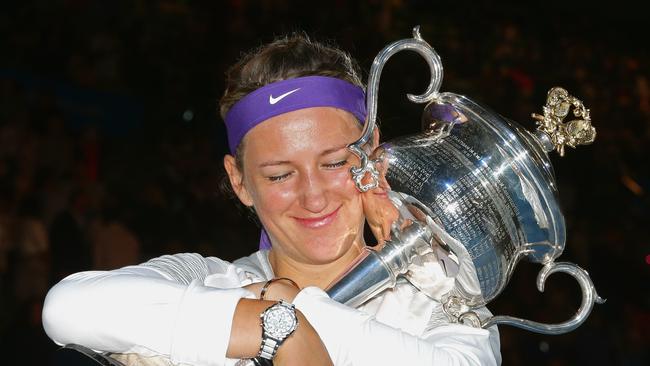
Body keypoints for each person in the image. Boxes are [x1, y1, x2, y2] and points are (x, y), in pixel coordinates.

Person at [42, 33, 501, 366]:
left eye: (335, 163)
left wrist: (287, 319)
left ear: (373, 153)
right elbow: (67, 307)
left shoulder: (445, 309)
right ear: (239, 181)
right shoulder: (211, 281)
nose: (313, 196)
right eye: (280, 174)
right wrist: (275, 323)